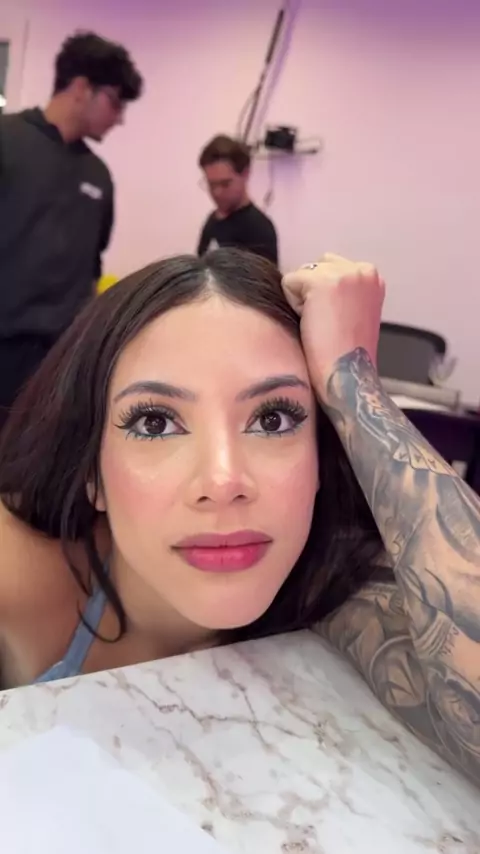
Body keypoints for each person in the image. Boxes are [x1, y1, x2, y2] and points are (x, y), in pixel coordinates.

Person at [0, 248, 478, 790]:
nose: (224, 481)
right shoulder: (17, 569)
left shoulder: (337, 585)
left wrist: (356, 385)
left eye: (273, 419)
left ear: (321, 456)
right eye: (155, 423)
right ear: (92, 472)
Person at [0, 31, 143, 424]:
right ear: (81, 88)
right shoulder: (7, 141)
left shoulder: (98, 176)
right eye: (115, 102)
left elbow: (91, 268)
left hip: (56, 366)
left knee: (30, 460)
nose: (120, 118)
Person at [197, 135, 278, 265]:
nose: (217, 192)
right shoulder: (212, 221)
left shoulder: (259, 229)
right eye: (211, 184)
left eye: (225, 184)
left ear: (245, 174)